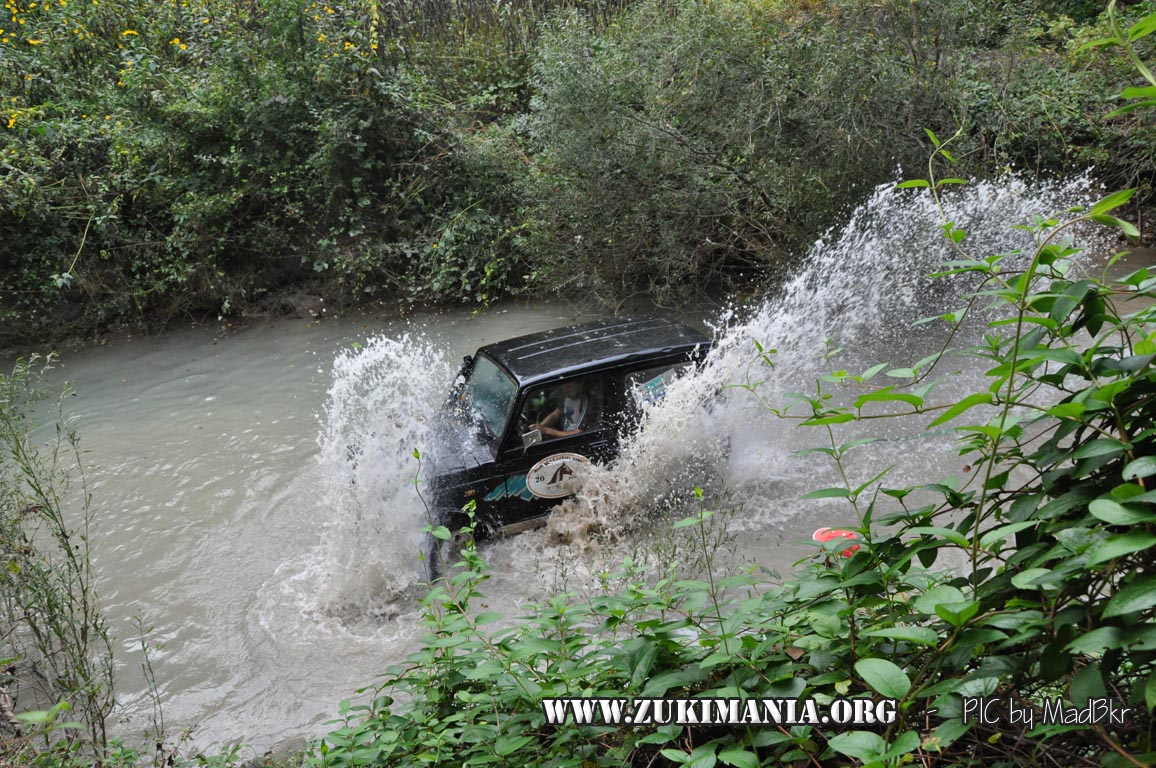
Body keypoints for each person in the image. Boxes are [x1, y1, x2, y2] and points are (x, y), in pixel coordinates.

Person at [532, 378, 598, 439]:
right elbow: (556, 414)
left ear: (580, 385)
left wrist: (547, 431)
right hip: (565, 436)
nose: (565, 390)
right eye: (563, 386)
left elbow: (579, 433)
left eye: (569, 387)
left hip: (576, 441)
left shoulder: (587, 402)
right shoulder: (568, 397)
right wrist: (540, 426)